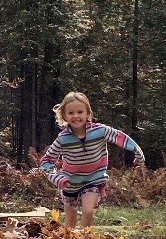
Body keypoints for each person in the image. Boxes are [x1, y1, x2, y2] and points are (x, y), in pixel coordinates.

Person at [39, 91, 144, 229]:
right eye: (71, 113)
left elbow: (122, 138)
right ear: (64, 116)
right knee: (69, 224)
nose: (76, 116)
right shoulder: (62, 139)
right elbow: (47, 161)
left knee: (88, 211)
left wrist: (138, 155)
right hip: (70, 183)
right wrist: (56, 178)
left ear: (87, 113)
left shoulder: (100, 131)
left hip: (93, 180)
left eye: (80, 112)